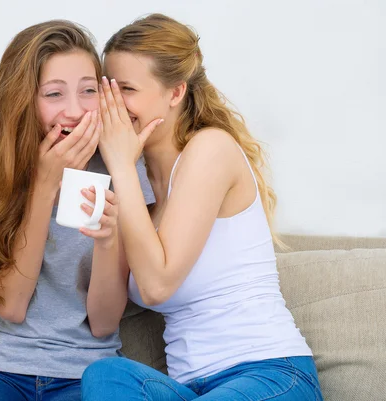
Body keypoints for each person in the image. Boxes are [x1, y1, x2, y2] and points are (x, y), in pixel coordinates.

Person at [81, 14, 323, 400]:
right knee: (105, 376)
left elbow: (157, 285)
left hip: (270, 374)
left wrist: (121, 166)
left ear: (175, 93)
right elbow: (102, 318)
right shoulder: (134, 186)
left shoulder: (211, 149)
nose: (113, 104)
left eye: (126, 89)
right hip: (189, 389)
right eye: (106, 88)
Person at [0, 20, 154, 401]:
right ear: (22, 100)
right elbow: (12, 307)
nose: (74, 111)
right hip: (0, 368)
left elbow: (102, 324)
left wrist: (107, 241)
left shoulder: (120, 165)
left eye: (88, 91)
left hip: (87, 373)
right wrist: (44, 185)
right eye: (54, 94)